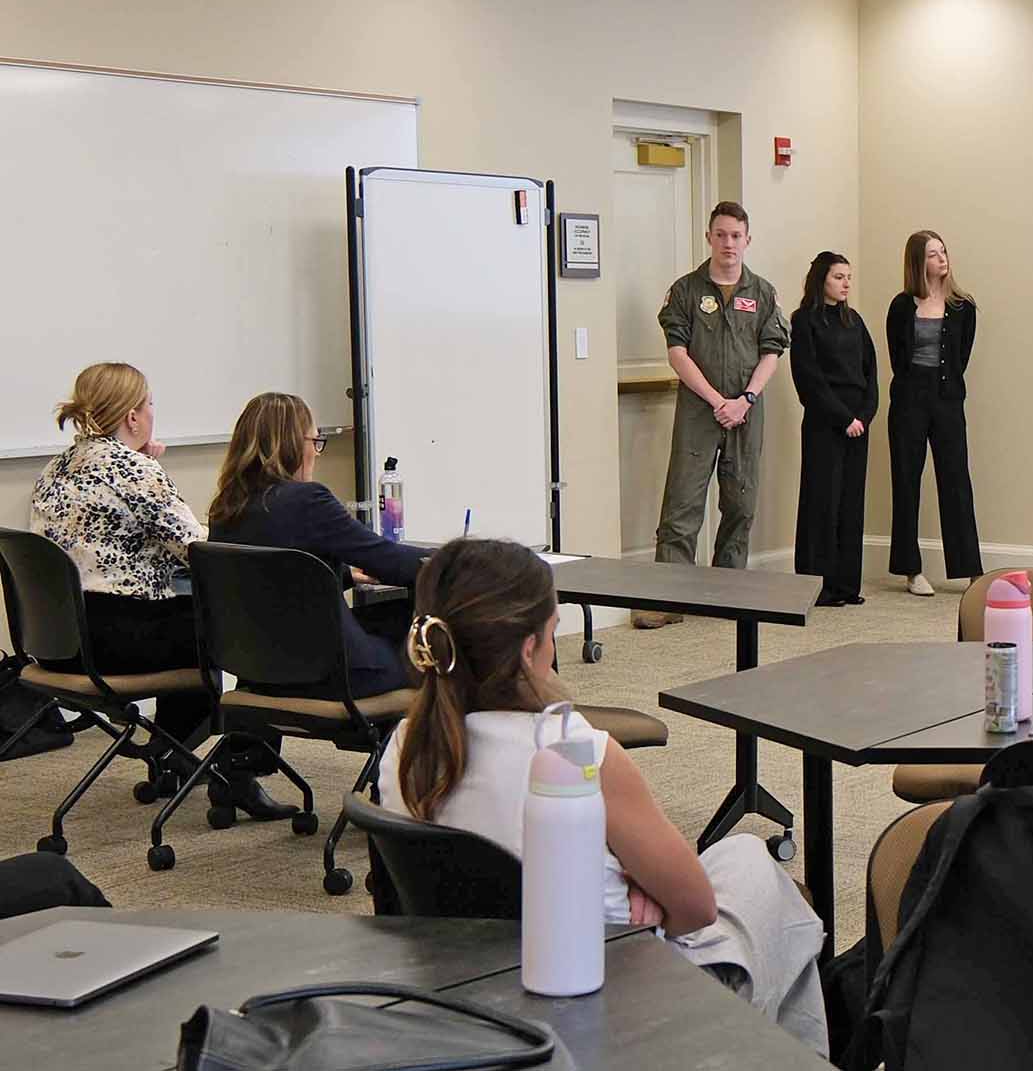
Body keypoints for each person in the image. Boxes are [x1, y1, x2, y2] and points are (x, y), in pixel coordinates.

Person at [378, 538, 827, 1052]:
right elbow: (695, 911)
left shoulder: (405, 750)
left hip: (473, 992)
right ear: (530, 650)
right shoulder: (580, 754)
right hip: (623, 1004)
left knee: (738, 870)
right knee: (760, 874)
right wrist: (648, 895)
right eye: (552, 635)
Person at [28, 363, 286, 817]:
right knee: (246, 630)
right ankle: (240, 767)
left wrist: (148, 463)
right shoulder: (133, 470)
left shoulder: (56, 467)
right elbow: (199, 550)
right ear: (132, 417)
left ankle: (171, 759)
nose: (151, 413)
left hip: (60, 644)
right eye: (148, 405)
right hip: (116, 642)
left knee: (189, 620)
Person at [208, 392, 427, 697]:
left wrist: (347, 575)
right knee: (437, 642)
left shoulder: (226, 508)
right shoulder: (309, 500)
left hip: (259, 671)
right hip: (335, 676)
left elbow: (274, 588)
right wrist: (462, 558)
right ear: (293, 445)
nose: (318, 452)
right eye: (315, 441)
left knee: (392, 618)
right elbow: (391, 560)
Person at [634, 202, 790, 629]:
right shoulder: (686, 290)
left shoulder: (762, 293)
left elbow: (771, 353)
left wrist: (745, 400)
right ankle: (668, 599)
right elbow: (677, 352)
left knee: (741, 502)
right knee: (682, 503)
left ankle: (726, 594)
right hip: (700, 413)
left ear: (747, 240)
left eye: (735, 236)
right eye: (720, 235)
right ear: (709, 237)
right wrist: (716, 400)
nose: (728, 243)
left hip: (746, 411)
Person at [887, 230, 983, 596]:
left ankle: (970, 568)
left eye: (943, 251)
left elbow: (961, 357)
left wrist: (944, 387)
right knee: (907, 480)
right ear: (918, 262)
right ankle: (911, 570)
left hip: (947, 400)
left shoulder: (963, 307)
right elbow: (898, 357)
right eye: (932, 254)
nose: (941, 259)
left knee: (956, 479)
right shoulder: (901, 306)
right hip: (909, 401)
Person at [790, 251, 877, 607]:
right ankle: (818, 586)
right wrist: (844, 418)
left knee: (850, 504)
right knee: (822, 501)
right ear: (821, 279)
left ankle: (845, 586)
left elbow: (871, 373)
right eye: (839, 277)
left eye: (848, 277)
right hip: (826, 423)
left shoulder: (854, 321)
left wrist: (864, 416)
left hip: (858, 423)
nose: (846, 284)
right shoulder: (805, 321)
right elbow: (809, 379)